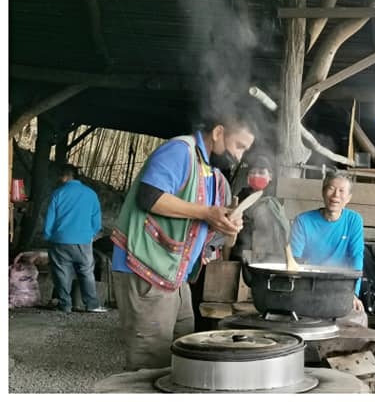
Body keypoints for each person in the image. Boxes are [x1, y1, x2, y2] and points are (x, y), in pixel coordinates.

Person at [111, 113, 256, 370]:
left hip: (175, 278)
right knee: (149, 362)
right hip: (146, 269)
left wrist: (231, 226)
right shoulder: (180, 151)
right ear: (219, 132)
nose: (239, 156)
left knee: (182, 357)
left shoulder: (214, 176)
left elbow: (222, 241)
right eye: (239, 146)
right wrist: (206, 213)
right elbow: (149, 196)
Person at [290, 172, 365, 314]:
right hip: (308, 285)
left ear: (348, 198)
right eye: (331, 188)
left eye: (342, 191)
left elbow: (356, 256)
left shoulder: (353, 220)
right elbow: (294, 259)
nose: (336, 195)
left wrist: (353, 293)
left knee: (357, 316)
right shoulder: (303, 221)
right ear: (323, 192)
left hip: (339, 285)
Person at [43, 163, 105, 314]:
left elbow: (49, 218)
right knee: (86, 272)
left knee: (62, 273)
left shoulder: (58, 193)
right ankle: (92, 305)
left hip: (60, 240)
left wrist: (48, 235)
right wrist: (90, 234)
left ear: (66, 177)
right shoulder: (91, 194)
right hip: (83, 241)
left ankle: (65, 305)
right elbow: (97, 222)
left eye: (61, 176)